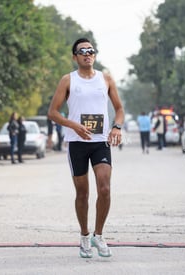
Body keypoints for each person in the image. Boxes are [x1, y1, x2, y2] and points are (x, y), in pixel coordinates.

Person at [48, 38, 124, 258]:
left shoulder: (106, 78)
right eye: (82, 51)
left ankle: (98, 236)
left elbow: (119, 108)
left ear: (95, 55)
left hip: (100, 142)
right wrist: (74, 125)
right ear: (75, 57)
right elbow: (52, 112)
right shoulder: (67, 80)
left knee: (105, 189)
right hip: (77, 143)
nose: (87, 54)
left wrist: (117, 127)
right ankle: (84, 235)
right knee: (82, 194)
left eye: (91, 51)